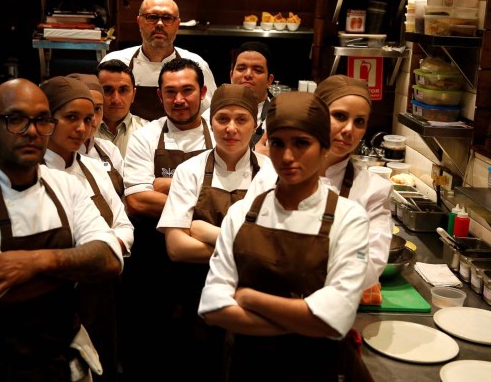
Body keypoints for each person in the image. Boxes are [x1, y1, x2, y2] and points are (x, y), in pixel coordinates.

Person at [0, 78, 124, 381]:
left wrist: (36, 262)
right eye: (15, 120)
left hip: (62, 360)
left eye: (41, 120)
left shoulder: (66, 186)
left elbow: (110, 261)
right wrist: (78, 266)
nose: (32, 131)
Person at [198, 91, 372, 382]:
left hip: (316, 370)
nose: (287, 156)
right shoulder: (242, 214)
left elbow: (336, 318)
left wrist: (249, 297)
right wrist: (307, 319)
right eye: (278, 143)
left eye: (301, 143)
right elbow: (213, 307)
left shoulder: (348, 218)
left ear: (324, 148)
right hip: (246, 368)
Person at [156, 83, 272, 382]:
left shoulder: (272, 173)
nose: (231, 128)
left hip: (255, 296)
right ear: (211, 121)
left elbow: (277, 249)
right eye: (222, 119)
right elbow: (177, 248)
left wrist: (205, 231)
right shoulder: (190, 170)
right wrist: (248, 248)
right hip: (198, 296)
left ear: (256, 124)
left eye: (241, 119)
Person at [246, 75, 392, 292]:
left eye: (359, 121)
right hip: (267, 296)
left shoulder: (374, 189)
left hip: (329, 310)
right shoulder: (271, 174)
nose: (349, 129)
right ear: (318, 117)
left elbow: (369, 267)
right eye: (340, 116)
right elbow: (246, 243)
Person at [121, 57, 214, 381]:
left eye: (187, 90)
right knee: (152, 345)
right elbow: (136, 200)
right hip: (154, 260)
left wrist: (164, 185)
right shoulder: (146, 136)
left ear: (202, 92)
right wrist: (203, 201)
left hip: (206, 264)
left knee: (202, 345)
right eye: (170, 92)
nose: (179, 99)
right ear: (159, 96)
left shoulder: (218, 135)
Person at [40, 75, 133, 382]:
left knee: (104, 363)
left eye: (88, 118)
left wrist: (107, 251)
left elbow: (123, 223)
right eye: (70, 118)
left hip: (102, 294)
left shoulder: (93, 167)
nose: (82, 128)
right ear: (46, 121)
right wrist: (98, 254)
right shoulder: (35, 175)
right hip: (62, 299)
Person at [100, 0, 217, 120]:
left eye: (167, 18)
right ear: (139, 22)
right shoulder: (115, 62)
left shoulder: (196, 65)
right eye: (152, 17)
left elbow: (210, 114)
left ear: (177, 25)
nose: (160, 24)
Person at [66, 72, 126, 197]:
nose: (92, 118)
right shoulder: (59, 157)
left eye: (97, 109)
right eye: (82, 110)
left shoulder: (109, 150)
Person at [95, 59, 149, 158]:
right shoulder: (83, 132)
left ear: (134, 95)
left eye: (123, 90)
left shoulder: (149, 132)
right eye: (107, 90)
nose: (116, 99)